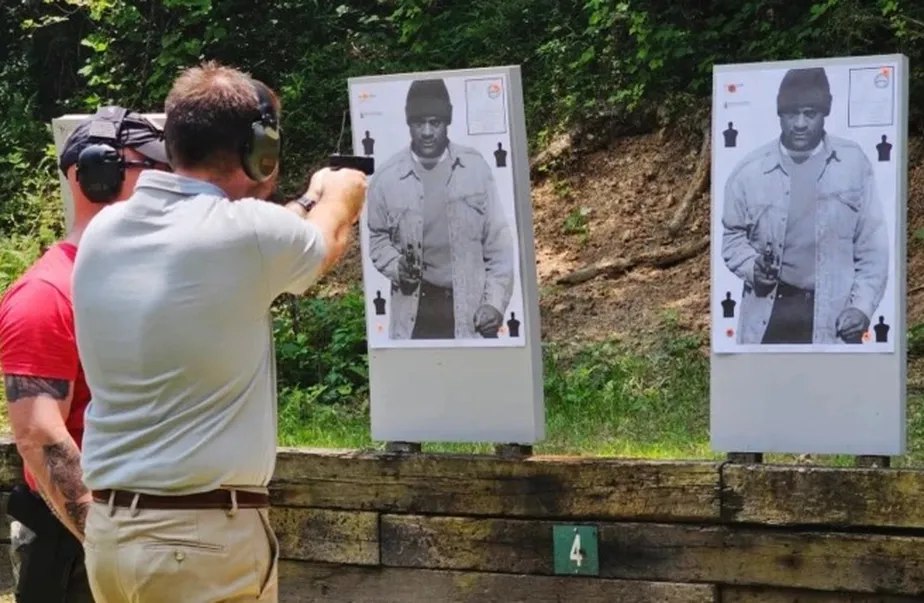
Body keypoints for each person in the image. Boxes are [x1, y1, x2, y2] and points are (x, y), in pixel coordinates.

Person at [70, 61, 367, 602]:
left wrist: (301, 201)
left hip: (115, 535)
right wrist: (338, 188)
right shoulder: (247, 236)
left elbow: (252, 230)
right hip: (199, 541)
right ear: (262, 152)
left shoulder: (107, 228)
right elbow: (328, 238)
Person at [0, 106, 171, 602]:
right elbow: (40, 435)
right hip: (80, 545)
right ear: (97, 174)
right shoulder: (46, 293)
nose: (168, 184)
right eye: (155, 170)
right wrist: (109, 545)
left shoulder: (140, 280)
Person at [722, 67, 888, 345]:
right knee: (766, 388)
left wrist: (861, 306)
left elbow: (873, 244)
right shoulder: (749, 172)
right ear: (779, 114)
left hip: (833, 317)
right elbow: (732, 237)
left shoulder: (853, 163)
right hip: (770, 314)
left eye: (810, 113)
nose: (799, 123)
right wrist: (752, 269)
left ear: (825, 113)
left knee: (832, 389)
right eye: (791, 113)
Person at [366, 77, 515, 340]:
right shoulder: (385, 178)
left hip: (470, 313)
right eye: (418, 122)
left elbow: (498, 245)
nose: (426, 131)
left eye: (434, 122)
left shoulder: (475, 169)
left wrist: (493, 302)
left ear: (447, 121)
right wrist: (396, 266)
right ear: (408, 123)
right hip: (415, 315)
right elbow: (377, 239)